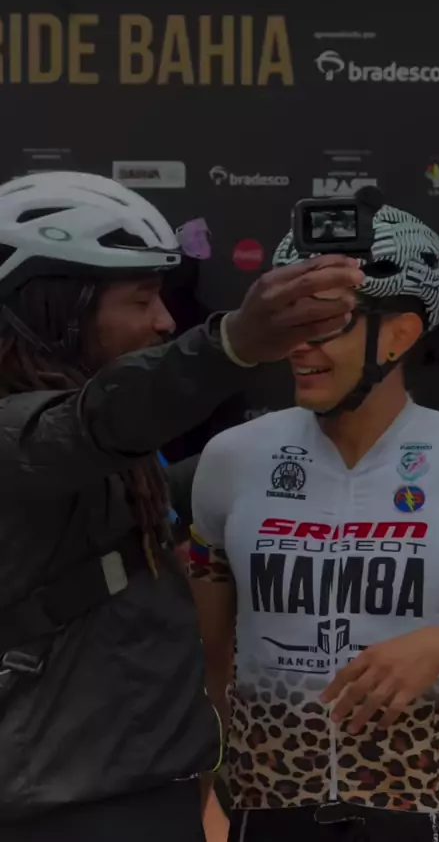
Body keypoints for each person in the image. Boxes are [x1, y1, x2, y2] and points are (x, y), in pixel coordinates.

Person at [0, 170, 364, 841]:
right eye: (142, 299)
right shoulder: (31, 432)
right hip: (68, 809)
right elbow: (108, 416)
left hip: (131, 787)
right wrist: (232, 344)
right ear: (57, 307)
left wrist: (298, 439)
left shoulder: (74, 451)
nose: (166, 321)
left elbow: (131, 509)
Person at [189, 200, 439, 842]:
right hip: (267, 810)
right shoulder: (232, 458)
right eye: (292, 320)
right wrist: (198, 814)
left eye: (325, 324)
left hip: (421, 810)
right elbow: (204, 667)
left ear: (400, 334)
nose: (298, 345)